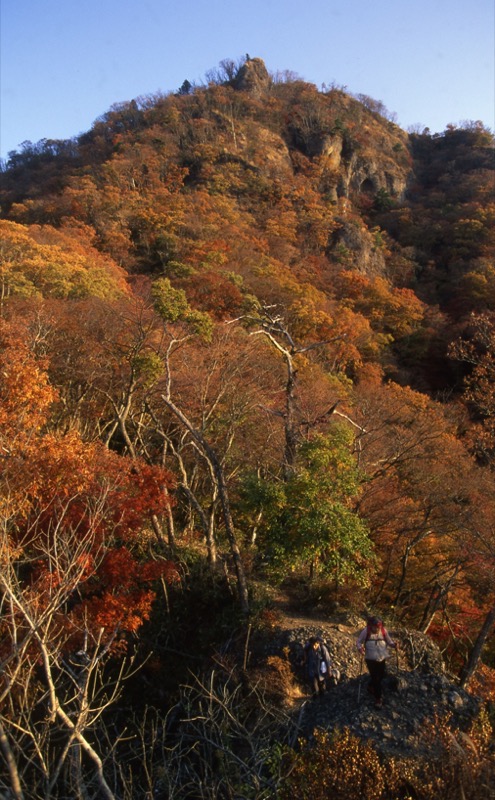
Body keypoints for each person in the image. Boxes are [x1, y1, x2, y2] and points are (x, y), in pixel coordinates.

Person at [356, 616, 397, 707]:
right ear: (371, 625)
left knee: (381, 675)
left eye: (378, 627)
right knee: (376, 678)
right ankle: (378, 699)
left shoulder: (383, 631)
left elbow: (389, 641)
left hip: (381, 657)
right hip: (370, 659)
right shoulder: (366, 631)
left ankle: (370, 686)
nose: (377, 629)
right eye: (375, 627)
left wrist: (394, 645)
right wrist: (360, 649)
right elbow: (358, 642)